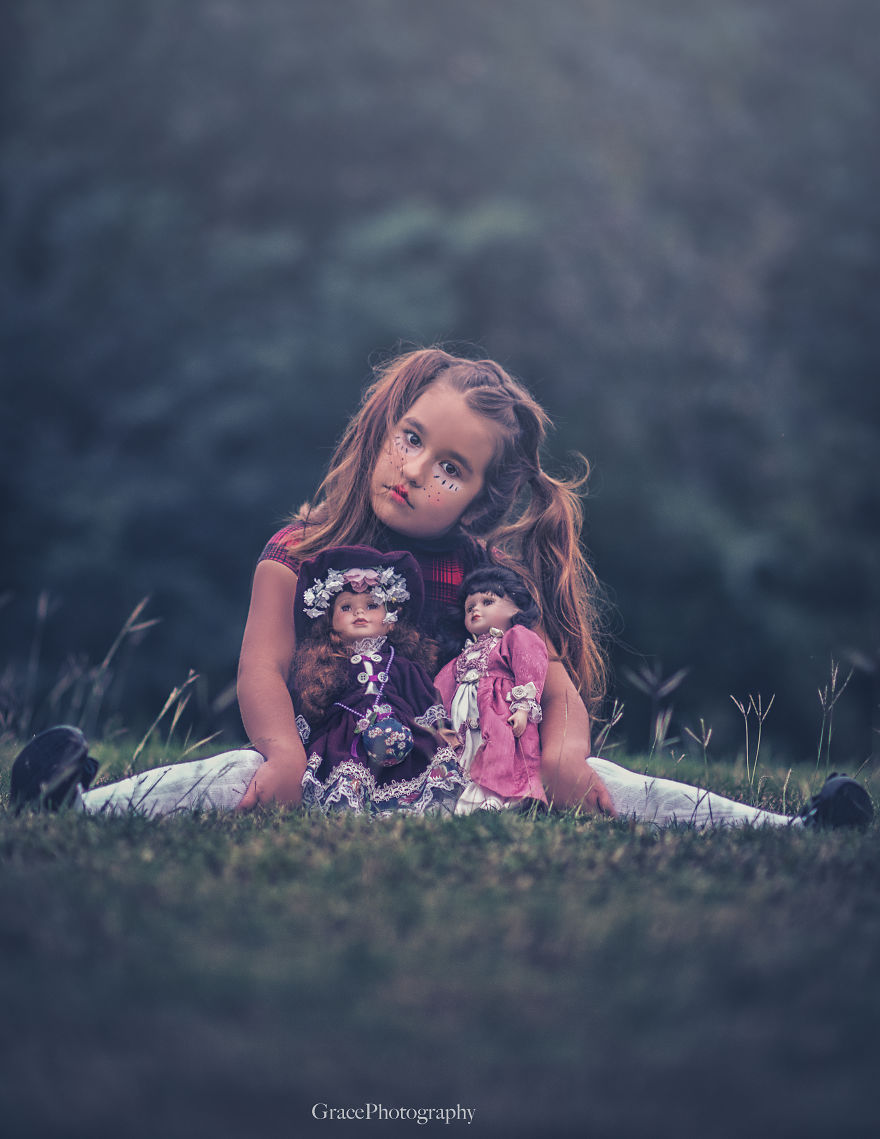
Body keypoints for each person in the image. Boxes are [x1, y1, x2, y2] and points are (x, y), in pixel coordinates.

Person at [9, 347, 874, 829]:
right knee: (230, 771)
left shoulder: (480, 580)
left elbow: (549, 681)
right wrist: (281, 752)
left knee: (606, 780)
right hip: (319, 781)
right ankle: (72, 804)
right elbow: (262, 666)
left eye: (450, 467)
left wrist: (563, 756)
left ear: (480, 495)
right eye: (413, 438)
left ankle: (795, 831)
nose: (417, 469)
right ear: (388, 425)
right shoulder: (298, 546)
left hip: (461, 792)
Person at [290, 545, 463, 815]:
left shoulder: (403, 666)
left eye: (371, 606)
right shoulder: (328, 665)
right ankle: (351, 803)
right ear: (330, 621)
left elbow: (426, 701)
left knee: (425, 757)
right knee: (346, 764)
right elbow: (313, 706)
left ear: (391, 620)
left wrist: (442, 730)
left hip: (405, 732)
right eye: (346, 607)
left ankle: (417, 803)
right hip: (347, 737)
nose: (360, 613)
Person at [434, 566, 549, 815]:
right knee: (468, 752)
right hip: (464, 718)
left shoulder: (515, 637)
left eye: (487, 601)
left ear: (516, 607)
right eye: (469, 607)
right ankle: (467, 794)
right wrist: (440, 721)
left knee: (500, 752)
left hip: (498, 712)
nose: (476, 609)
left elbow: (530, 669)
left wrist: (522, 708)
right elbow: (442, 685)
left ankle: (498, 797)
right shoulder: (463, 654)